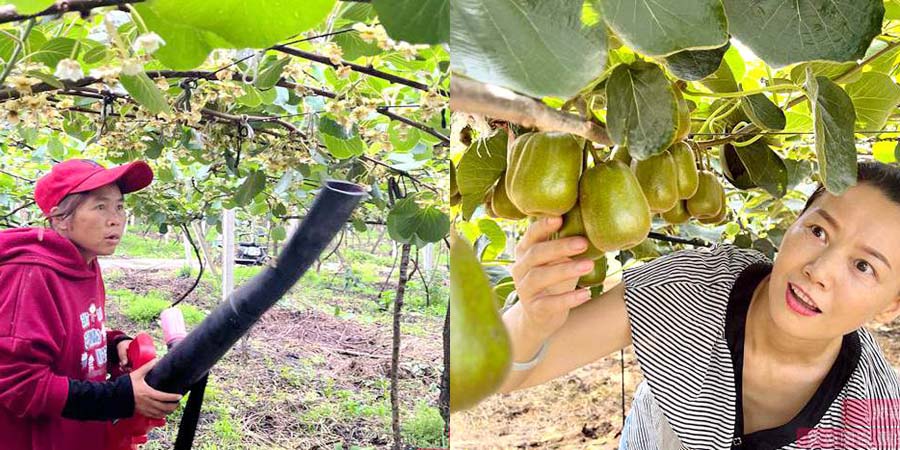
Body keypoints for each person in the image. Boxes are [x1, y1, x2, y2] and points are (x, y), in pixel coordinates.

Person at [498, 160, 900, 449]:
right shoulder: (690, 290)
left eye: (863, 266)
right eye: (818, 231)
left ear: (891, 306)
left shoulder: (878, 422)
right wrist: (530, 322)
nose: (819, 270)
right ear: (794, 222)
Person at [0, 159, 184, 450]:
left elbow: (69, 331)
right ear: (61, 218)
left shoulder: (84, 262)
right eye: (100, 207)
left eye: (120, 207)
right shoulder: (32, 274)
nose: (116, 219)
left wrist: (113, 345)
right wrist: (120, 397)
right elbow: (20, 386)